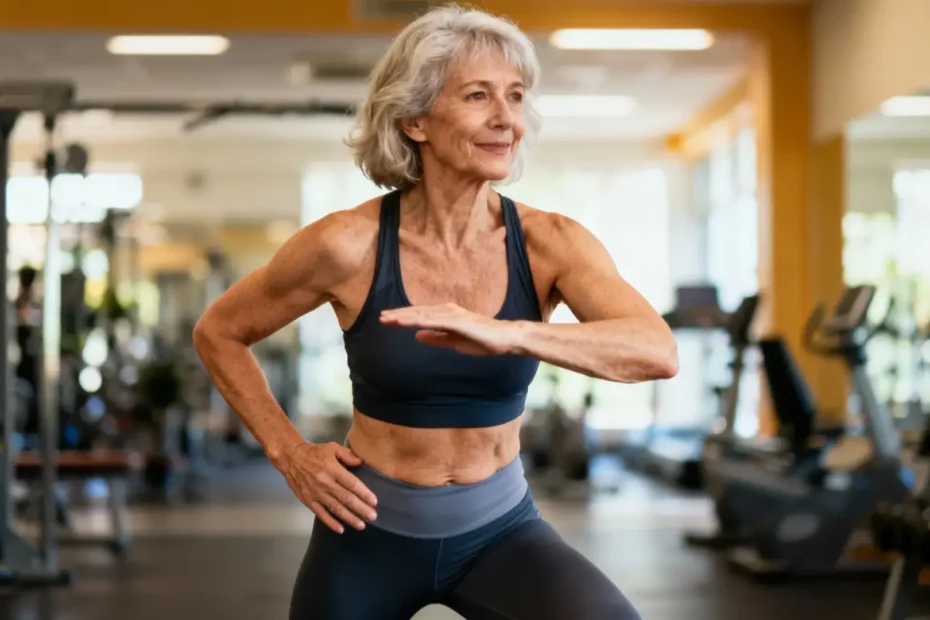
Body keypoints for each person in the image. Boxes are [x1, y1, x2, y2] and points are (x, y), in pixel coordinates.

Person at [193, 5, 678, 619]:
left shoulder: (550, 244)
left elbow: (656, 351)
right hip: (366, 531)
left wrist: (509, 334)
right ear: (415, 119)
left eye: (515, 96)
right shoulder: (347, 245)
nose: (507, 119)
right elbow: (219, 331)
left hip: (501, 532)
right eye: (478, 96)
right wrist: (289, 453)